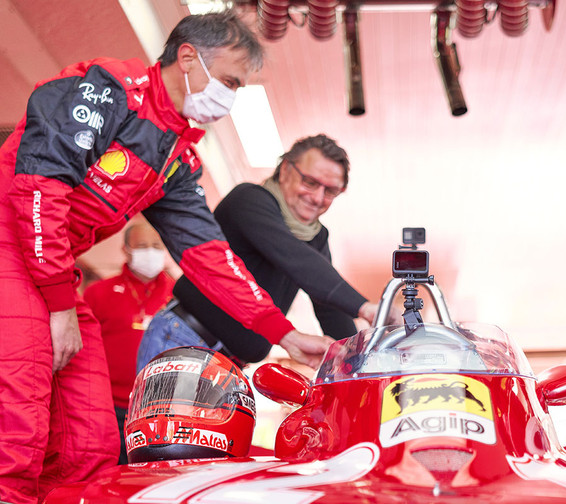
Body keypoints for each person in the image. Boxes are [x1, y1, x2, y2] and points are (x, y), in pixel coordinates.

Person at [0, 11, 329, 503]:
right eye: (231, 81)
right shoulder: (109, 89)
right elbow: (38, 185)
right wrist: (58, 304)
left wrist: (283, 332)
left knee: (91, 439)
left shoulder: (174, 154)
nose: (232, 97)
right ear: (189, 57)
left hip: (55, 268)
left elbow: (208, 253)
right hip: (14, 251)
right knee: (19, 427)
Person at [138, 134, 382, 369]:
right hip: (184, 341)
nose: (318, 197)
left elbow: (330, 308)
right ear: (286, 169)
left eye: (330, 191)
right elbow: (296, 259)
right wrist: (364, 306)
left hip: (230, 365)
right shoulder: (248, 200)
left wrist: (360, 363)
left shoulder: (316, 237)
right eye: (310, 182)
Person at [83, 221, 174, 464]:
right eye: (143, 246)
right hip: (109, 408)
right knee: (110, 477)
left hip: (164, 410)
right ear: (126, 250)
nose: (151, 252)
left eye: (156, 246)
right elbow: (84, 350)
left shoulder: (179, 295)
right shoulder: (98, 293)